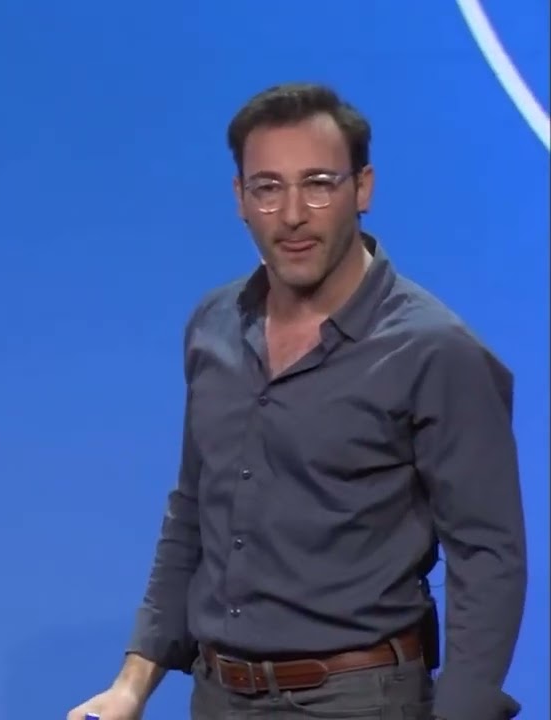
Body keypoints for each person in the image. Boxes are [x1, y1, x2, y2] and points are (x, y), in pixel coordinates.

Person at [67, 83, 528, 720]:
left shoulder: (435, 351)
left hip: (360, 700)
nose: (291, 214)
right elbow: (194, 512)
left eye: (317, 184)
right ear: (240, 198)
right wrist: (131, 684)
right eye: (267, 187)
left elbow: (489, 556)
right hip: (217, 695)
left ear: (362, 189)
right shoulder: (213, 325)